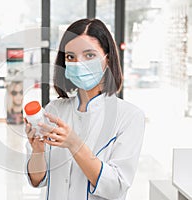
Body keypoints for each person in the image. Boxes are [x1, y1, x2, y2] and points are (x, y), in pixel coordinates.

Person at [25, 18, 145, 200]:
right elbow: (37, 180)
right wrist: (38, 151)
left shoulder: (129, 116)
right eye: (70, 57)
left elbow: (116, 187)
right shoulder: (54, 110)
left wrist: (75, 144)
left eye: (89, 55)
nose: (78, 63)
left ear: (108, 58)